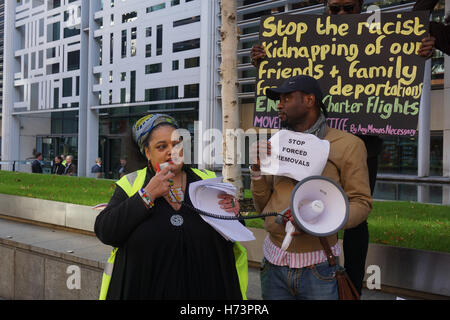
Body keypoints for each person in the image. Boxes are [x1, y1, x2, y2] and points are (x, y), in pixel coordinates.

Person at [249, 0, 434, 296]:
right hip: (300, 145)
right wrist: (265, 63)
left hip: (355, 143)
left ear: (362, 7)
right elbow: (288, 85)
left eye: (348, 8)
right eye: (335, 9)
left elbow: (397, 72)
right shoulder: (307, 39)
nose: (342, 16)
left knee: (354, 220)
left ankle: (348, 287)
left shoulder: (381, 37)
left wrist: (417, 55)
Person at [94, 114, 247, 300]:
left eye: (177, 144)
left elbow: (234, 233)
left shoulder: (208, 181)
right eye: (161, 146)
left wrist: (234, 212)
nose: (171, 151)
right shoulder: (131, 183)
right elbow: (106, 231)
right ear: (147, 153)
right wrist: (146, 195)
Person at [250, 75, 372, 300]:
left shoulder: (348, 145)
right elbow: (263, 207)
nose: (279, 104)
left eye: (286, 98)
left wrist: (323, 220)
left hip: (319, 268)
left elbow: (361, 203)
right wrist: (257, 173)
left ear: (309, 100)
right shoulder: (276, 141)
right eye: (279, 99)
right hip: (273, 264)